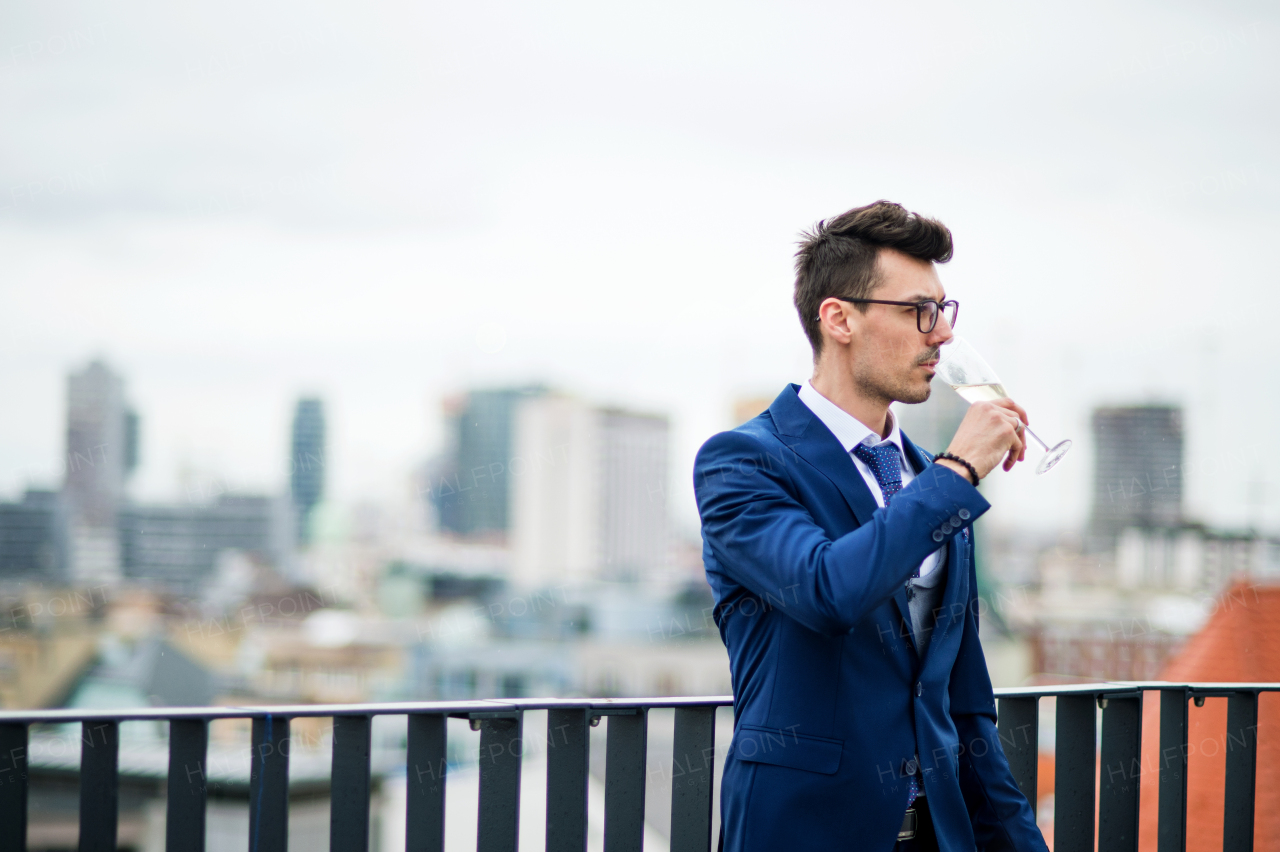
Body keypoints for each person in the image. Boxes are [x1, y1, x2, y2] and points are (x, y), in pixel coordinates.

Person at [693, 201, 1049, 852]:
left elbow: (964, 700)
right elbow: (828, 589)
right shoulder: (742, 461)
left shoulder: (928, 477)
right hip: (801, 831)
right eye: (919, 311)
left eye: (944, 311)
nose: (940, 334)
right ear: (840, 318)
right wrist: (960, 469)